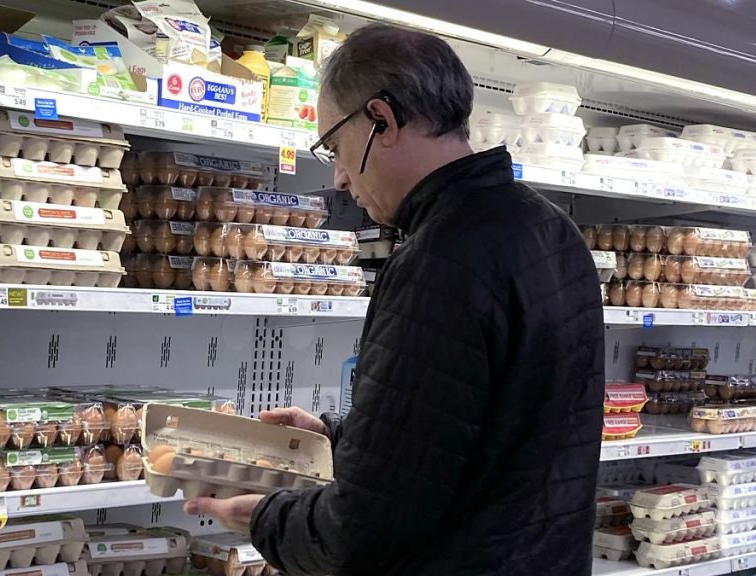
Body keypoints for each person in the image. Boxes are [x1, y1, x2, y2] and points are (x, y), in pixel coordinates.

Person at [184, 23, 605, 576]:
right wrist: (339, 441)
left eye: (335, 145)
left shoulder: (441, 259)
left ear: (381, 120)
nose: (337, 178)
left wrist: (265, 517)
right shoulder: (553, 230)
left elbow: (364, 528)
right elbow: (486, 436)